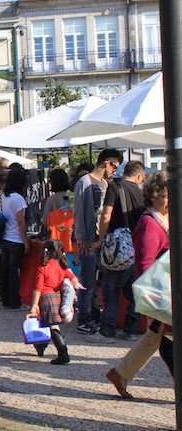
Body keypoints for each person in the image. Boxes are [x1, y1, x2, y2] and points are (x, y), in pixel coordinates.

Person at [106, 171, 169, 399]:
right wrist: (153, 302)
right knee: (162, 338)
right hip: (162, 293)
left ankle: (120, 373)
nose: (168, 200)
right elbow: (144, 266)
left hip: (166, 292)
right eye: (163, 195)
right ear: (152, 196)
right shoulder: (150, 224)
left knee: (153, 337)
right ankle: (120, 373)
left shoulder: (164, 219)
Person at [87, 160, 145, 344]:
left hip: (118, 249)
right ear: (140, 176)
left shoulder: (115, 187)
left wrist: (100, 240)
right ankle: (130, 330)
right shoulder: (142, 193)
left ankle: (107, 332)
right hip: (136, 249)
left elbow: (106, 215)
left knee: (111, 292)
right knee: (132, 294)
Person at [73, 149, 123, 334]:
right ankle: (83, 318)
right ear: (107, 163)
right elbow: (78, 212)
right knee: (87, 281)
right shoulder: (84, 182)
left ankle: (93, 315)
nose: (115, 172)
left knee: (96, 282)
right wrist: (83, 238)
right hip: (89, 240)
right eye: (115, 167)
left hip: (101, 240)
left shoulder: (103, 183)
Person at [29, 239, 82, 365]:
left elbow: (38, 287)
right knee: (48, 323)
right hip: (57, 297)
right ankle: (40, 347)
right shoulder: (62, 267)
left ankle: (63, 353)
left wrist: (34, 304)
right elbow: (75, 280)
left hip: (46, 298)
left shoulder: (43, 267)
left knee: (51, 325)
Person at [0, 167, 30, 311]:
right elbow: (21, 221)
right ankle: (16, 303)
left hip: (5, 237)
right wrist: (25, 240)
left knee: (5, 272)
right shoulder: (18, 198)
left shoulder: (5, 195)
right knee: (14, 273)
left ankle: (6, 300)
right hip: (16, 239)